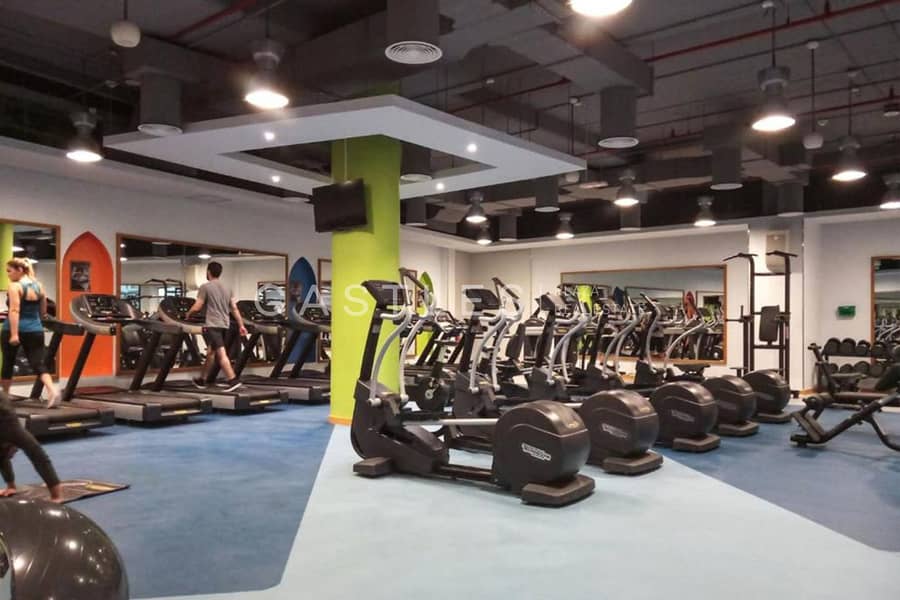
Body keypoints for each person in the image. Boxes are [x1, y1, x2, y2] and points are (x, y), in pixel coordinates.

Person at [1, 258, 60, 407]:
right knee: (38, 363)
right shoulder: (39, 286)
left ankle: (5, 397)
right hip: (35, 330)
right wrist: (36, 322)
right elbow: (43, 311)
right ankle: (52, 390)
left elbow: (14, 310)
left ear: (20, 270)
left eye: (9, 271)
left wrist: (14, 334)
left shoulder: (15, 286)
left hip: (13, 329)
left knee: (8, 362)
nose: (8, 274)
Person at [186, 261, 247, 392]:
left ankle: (232, 380)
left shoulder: (205, 287)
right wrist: (241, 325)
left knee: (221, 354)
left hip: (213, 325)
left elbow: (198, 306)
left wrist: (188, 314)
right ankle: (202, 379)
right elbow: (234, 309)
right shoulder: (228, 288)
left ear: (208, 272)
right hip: (225, 325)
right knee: (211, 353)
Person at [1, 390, 63, 502]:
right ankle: (11, 486)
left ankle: (56, 495)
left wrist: (56, 497)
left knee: (35, 452)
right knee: (1, 454)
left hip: (6, 417)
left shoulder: (11, 428)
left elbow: (40, 457)